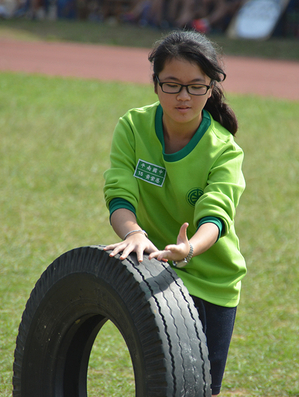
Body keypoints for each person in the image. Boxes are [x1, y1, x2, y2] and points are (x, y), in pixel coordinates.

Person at [103, 31, 246, 396]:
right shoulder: (133, 127)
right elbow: (120, 195)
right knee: (161, 381)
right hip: (156, 269)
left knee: (199, 389)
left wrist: (190, 249)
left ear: (211, 89)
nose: (184, 96)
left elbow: (216, 215)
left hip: (213, 279)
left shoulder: (224, 150)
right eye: (172, 84)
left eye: (196, 86)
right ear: (155, 85)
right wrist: (133, 233)